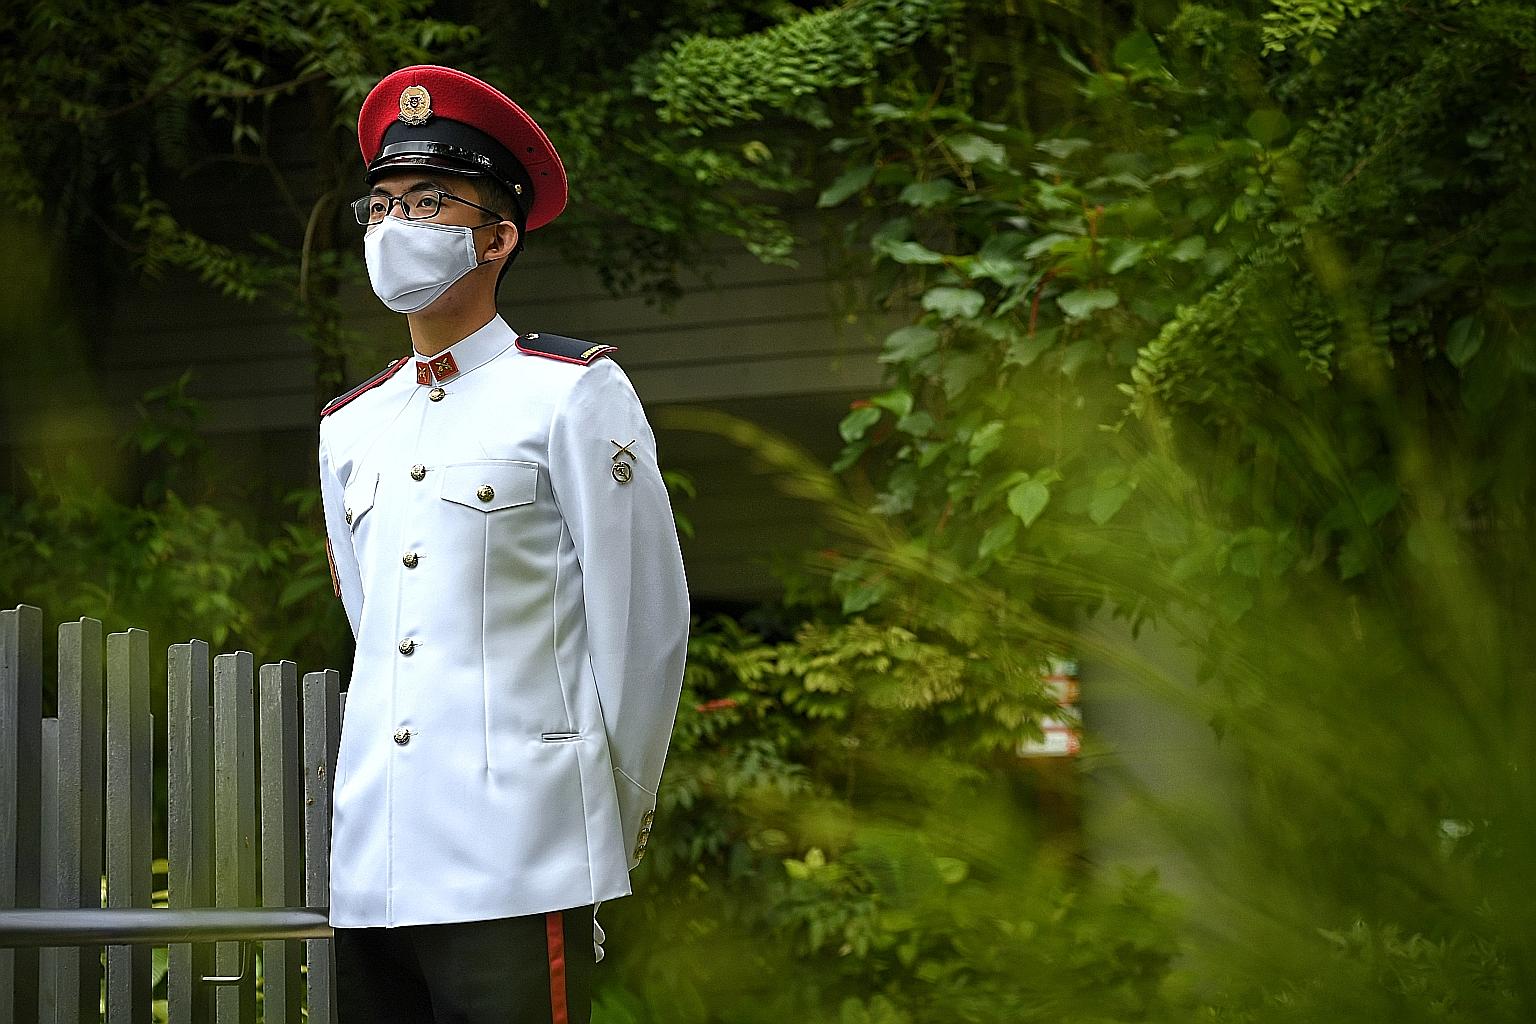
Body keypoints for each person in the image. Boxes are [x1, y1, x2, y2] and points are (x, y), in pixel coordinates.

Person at [317, 64, 690, 1024]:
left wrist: (595, 823)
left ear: (496, 236)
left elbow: (643, 628)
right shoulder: (350, 427)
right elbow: (378, 635)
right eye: (382, 203)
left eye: (431, 200)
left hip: (522, 857)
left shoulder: (571, 394)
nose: (397, 223)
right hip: (376, 868)